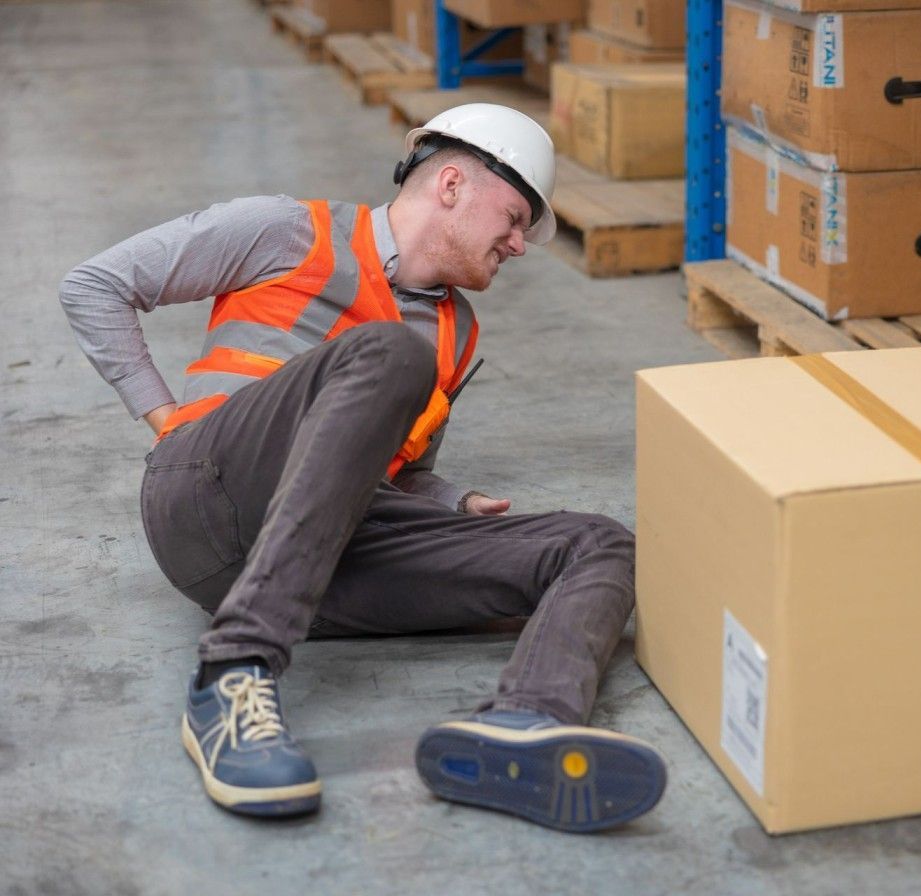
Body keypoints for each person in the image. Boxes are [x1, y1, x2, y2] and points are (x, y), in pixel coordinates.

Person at [58, 103, 667, 833]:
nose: (519, 244)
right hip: (206, 498)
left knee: (600, 542)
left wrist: (449, 502)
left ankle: (525, 725)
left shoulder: (456, 333)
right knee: (391, 354)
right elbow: (92, 286)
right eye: (512, 218)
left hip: (332, 553)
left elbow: (393, 470)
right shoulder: (285, 230)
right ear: (450, 184)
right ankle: (234, 675)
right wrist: (165, 423)